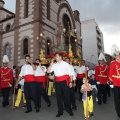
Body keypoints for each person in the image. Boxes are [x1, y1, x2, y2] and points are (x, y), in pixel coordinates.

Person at [47, 53, 74, 117]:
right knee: (59, 98)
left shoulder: (66, 64)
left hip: (64, 82)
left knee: (66, 97)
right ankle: (60, 111)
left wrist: (70, 82)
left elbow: (71, 74)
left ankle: (69, 109)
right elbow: (48, 71)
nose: (55, 57)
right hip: (57, 82)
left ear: (60, 57)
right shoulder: (54, 65)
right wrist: (51, 64)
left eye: (56, 56)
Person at [109, 44, 120, 117]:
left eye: (119, 55)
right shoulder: (112, 63)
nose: (118, 56)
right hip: (116, 83)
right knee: (117, 99)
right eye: (117, 55)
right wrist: (111, 82)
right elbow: (110, 74)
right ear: (115, 56)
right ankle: (119, 112)